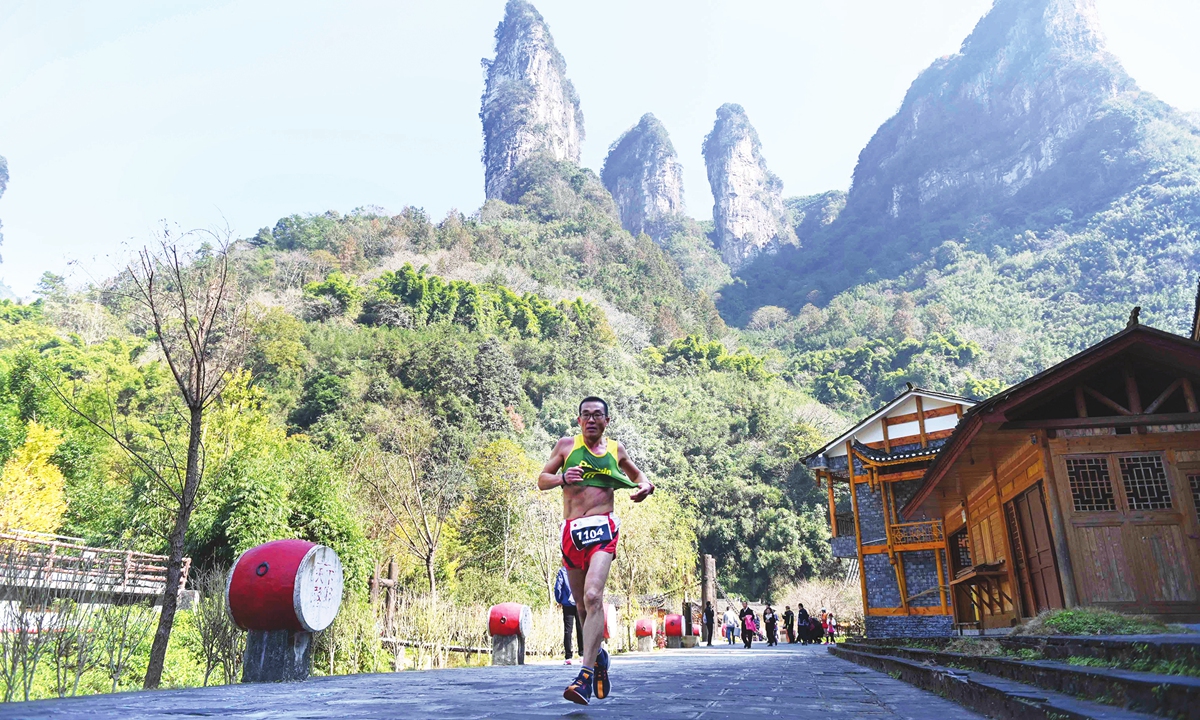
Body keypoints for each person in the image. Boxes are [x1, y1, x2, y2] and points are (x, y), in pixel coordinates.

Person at [539, 396, 655, 706]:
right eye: (586, 415)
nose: (591, 419)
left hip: (604, 531)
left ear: (606, 421)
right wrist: (563, 477)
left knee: (593, 597)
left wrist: (646, 486)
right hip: (572, 533)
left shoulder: (616, 451)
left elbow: (639, 476)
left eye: (597, 415)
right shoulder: (566, 447)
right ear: (579, 421)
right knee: (580, 606)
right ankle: (599, 655)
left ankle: (585, 675)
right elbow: (542, 479)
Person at [554, 566, 584, 664]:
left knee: (568, 630)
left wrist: (559, 599)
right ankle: (582, 655)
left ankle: (568, 657)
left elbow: (558, 586)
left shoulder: (563, 571)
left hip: (567, 603)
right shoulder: (581, 568)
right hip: (580, 601)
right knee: (581, 629)